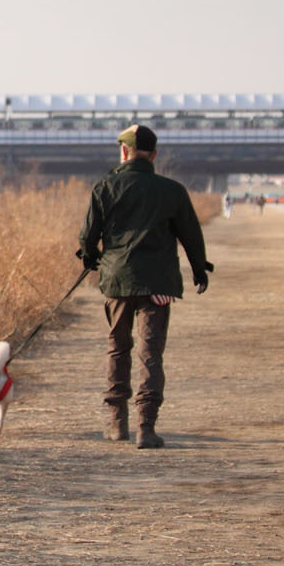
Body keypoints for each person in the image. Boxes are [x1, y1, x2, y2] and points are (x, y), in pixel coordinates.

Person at [78, 124, 212, 449]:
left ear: (123, 152)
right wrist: (199, 269)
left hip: (117, 282)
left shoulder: (104, 187)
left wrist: (90, 258)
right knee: (150, 353)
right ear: (154, 155)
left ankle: (116, 424)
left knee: (118, 348)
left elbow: (88, 237)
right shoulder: (173, 191)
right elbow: (190, 235)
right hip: (158, 284)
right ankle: (146, 428)